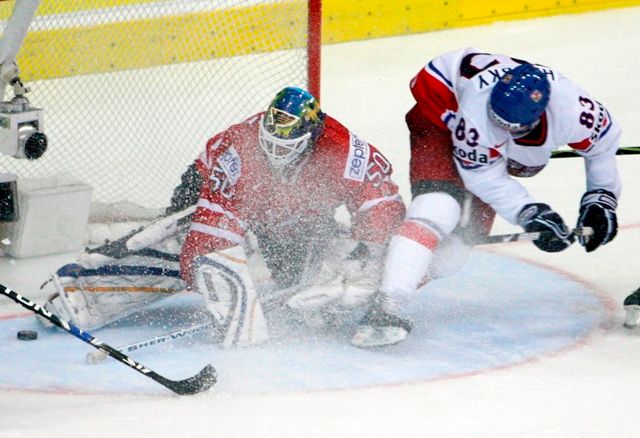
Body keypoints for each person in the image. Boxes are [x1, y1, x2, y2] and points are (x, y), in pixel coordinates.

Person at [41, 86, 405, 348]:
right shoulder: (240, 149)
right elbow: (213, 227)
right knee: (181, 244)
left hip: (297, 218)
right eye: (270, 142)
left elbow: (382, 207)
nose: (274, 152)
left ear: (310, 137)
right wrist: (213, 281)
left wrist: (363, 262)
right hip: (212, 188)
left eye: (285, 146)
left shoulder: (346, 152)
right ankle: (84, 290)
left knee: (313, 298)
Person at [351, 48, 622, 348]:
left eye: (509, 126)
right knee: (439, 208)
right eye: (497, 119)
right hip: (441, 107)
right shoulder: (477, 109)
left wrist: (601, 199)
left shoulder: (574, 109)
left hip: (485, 137)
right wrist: (531, 213)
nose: (499, 126)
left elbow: (602, 146)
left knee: (455, 253)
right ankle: (387, 305)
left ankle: (383, 274)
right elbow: (482, 176)